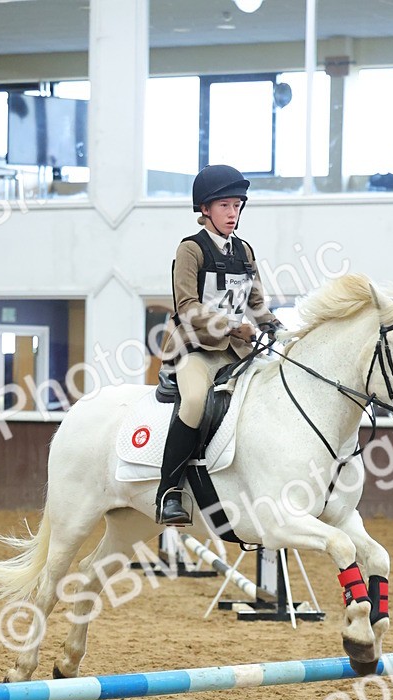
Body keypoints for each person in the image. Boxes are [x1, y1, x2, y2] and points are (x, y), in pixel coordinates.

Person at [155, 164, 284, 525]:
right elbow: (186, 308)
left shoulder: (244, 251)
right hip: (195, 350)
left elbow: (256, 302)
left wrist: (277, 328)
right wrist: (231, 327)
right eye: (225, 206)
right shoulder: (190, 251)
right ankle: (169, 492)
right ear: (206, 210)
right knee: (195, 401)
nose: (232, 213)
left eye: (237, 206)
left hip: (237, 353)